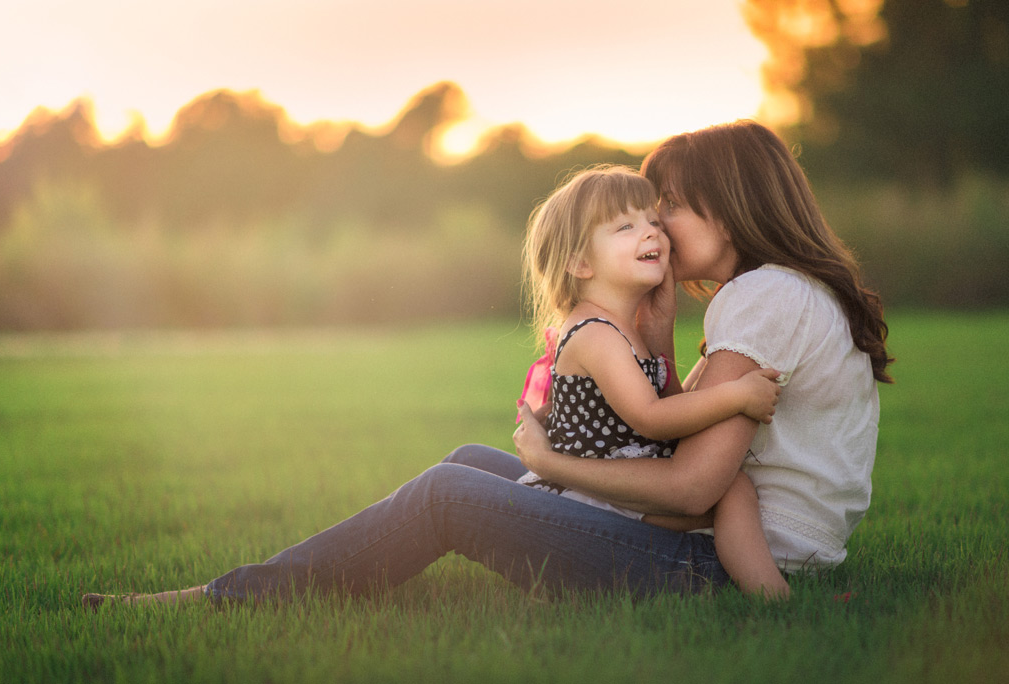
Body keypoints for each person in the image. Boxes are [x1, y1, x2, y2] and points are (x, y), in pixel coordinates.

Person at [82, 120, 891, 609]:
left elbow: (688, 486)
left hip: (719, 566)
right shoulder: (786, 291)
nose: (663, 227)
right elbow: (684, 431)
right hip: (743, 545)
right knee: (470, 463)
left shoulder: (761, 299)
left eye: (672, 204)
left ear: (736, 200)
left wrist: (543, 461)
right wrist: (666, 321)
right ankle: (292, 587)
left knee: (447, 493)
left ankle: (226, 600)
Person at [514, 165, 788, 597]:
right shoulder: (597, 335)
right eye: (626, 226)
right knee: (729, 492)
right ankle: (771, 596)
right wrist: (737, 395)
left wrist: (660, 331)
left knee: (730, 489)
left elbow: (665, 413)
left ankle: (765, 590)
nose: (652, 234)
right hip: (593, 493)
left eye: (654, 221)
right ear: (580, 263)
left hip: (623, 476)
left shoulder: (621, 328)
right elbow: (654, 418)